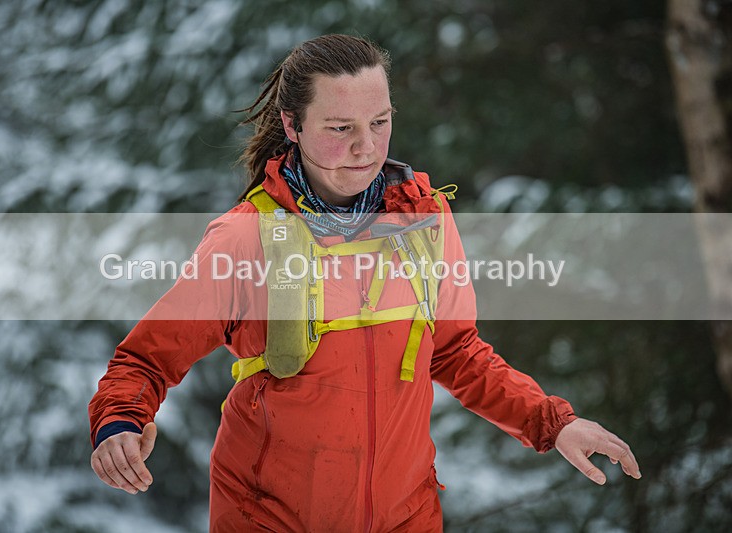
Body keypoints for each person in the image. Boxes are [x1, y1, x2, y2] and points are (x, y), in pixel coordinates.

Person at [89, 34, 641, 531]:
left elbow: (456, 351)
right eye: (339, 128)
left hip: (405, 516)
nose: (367, 147)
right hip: (269, 517)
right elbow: (146, 359)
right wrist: (119, 421)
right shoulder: (247, 238)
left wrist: (552, 423)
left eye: (379, 122)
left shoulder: (423, 223)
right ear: (292, 125)